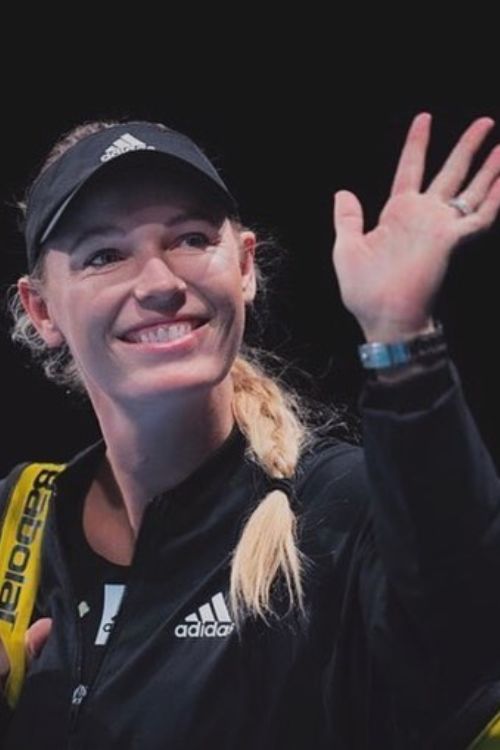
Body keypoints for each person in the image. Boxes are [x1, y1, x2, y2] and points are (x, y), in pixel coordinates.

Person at [0, 113, 499, 749]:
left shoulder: (334, 509)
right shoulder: (18, 521)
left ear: (245, 265)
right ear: (43, 310)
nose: (159, 283)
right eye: (105, 255)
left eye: (189, 238)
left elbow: (474, 636)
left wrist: (401, 338)